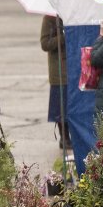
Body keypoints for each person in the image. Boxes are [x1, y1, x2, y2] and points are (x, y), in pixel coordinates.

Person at [40, 15, 71, 149]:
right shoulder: (50, 18)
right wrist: (63, 37)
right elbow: (45, 44)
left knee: (73, 106)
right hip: (59, 72)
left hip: (75, 68)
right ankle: (64, 138)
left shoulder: (73, 15)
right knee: (60, 108)